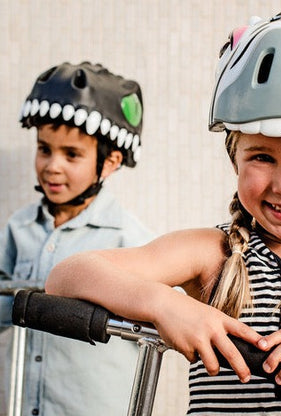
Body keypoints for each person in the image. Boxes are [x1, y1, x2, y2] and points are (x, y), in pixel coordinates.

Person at [46, 4, 281, 415]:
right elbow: (66, 276)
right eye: (262, 157)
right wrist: (166, 305)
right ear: (235, 159)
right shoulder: (213, 255)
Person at [0, 62, 153, 415]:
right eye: (44, 149)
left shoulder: (132, 241)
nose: (52, 165)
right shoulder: (17, 229)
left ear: (110, 161)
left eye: (72, 154)